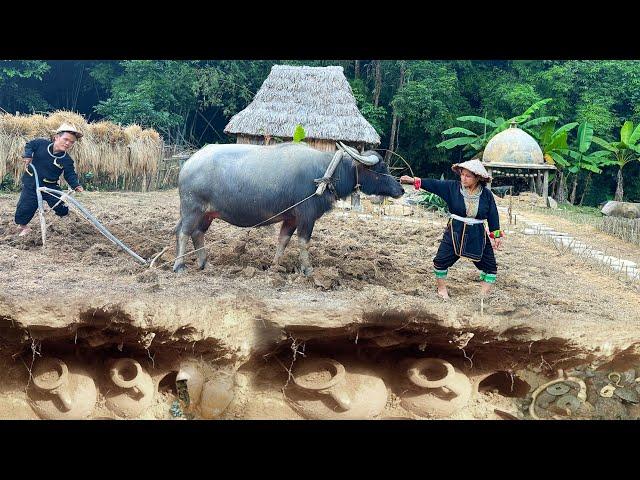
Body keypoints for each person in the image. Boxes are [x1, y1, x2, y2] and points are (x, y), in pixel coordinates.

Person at [400, 159, 504, 299]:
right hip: (455, 230)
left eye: (468, 176)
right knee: (440, 261)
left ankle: (482, 296)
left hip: (478, 234)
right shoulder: (452, 187)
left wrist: (496, 235)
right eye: (462, 174)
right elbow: (435, 184)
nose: (463, 178)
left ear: (478, 178)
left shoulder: (486, 195)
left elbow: (493, 215)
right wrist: (414, 181)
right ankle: (442, 290)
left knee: (491, 268)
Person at [14, 123, 84, 236]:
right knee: (25, 207)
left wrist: (76, 185)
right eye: (66, 139)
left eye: (71, 142)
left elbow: (70, 174)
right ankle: (24, 227)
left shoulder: (67, 160)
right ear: (56, 137)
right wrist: (28, 155)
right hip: (31, 183)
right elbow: (29, 145)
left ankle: (65, 221)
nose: (68, 143)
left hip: (50, 187)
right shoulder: (40, 144)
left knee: (60, 206)